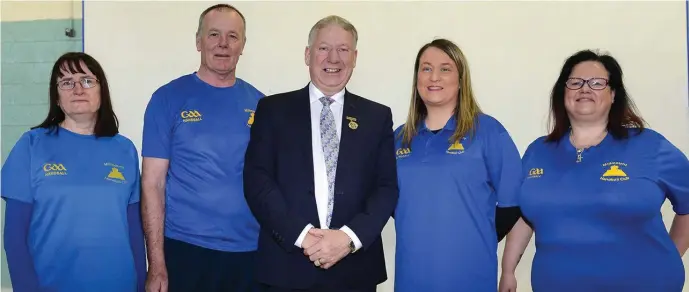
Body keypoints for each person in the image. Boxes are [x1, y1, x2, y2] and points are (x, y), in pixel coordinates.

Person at [500, 50, 689, 292]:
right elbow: (525, 215)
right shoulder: (537, 152)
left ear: (613, 95)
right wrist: (507, 270)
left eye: (597, 83)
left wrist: (671, 256)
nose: (585, 89)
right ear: (563, 93)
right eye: (575, 82)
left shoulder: (650, 146)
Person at [243, 15, 399, 292]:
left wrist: (348, 238)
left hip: (355, 269)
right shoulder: (272, 110)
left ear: (354, 57)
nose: (334, 58)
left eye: (343, 49)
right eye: (324, 48)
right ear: (308, 54)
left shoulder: (377, 116)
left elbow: (386, 188)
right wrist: (304, 237)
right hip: (286, 267)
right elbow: (257, 181)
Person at [141, 4, 264, 292]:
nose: (223, 44)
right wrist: (156, 264)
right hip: (185, 250)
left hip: (249, 253)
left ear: (243, 45)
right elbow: (152, 184)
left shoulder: (262, 104)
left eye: (233, 36)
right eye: (213, 34)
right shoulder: (167, 99)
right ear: (198, 41)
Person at [1, 52, 145, 292]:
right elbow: (14, 236)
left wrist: (141, 285)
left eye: (87, 80)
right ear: (57, 97)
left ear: (102, 92)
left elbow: (134, 230)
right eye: (66, 82)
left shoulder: (124, 149)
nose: (78, 88)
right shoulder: (31, 145)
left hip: (119, 284)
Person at [391, 38, 522, 292]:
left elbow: (512, 203)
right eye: (426, 68)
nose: (434, 77)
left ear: (461, 80)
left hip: (470, 277)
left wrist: (471, 236)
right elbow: (391, 202)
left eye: (445, 68)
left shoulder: (487, 131)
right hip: (411, 277)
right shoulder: (399, 139)